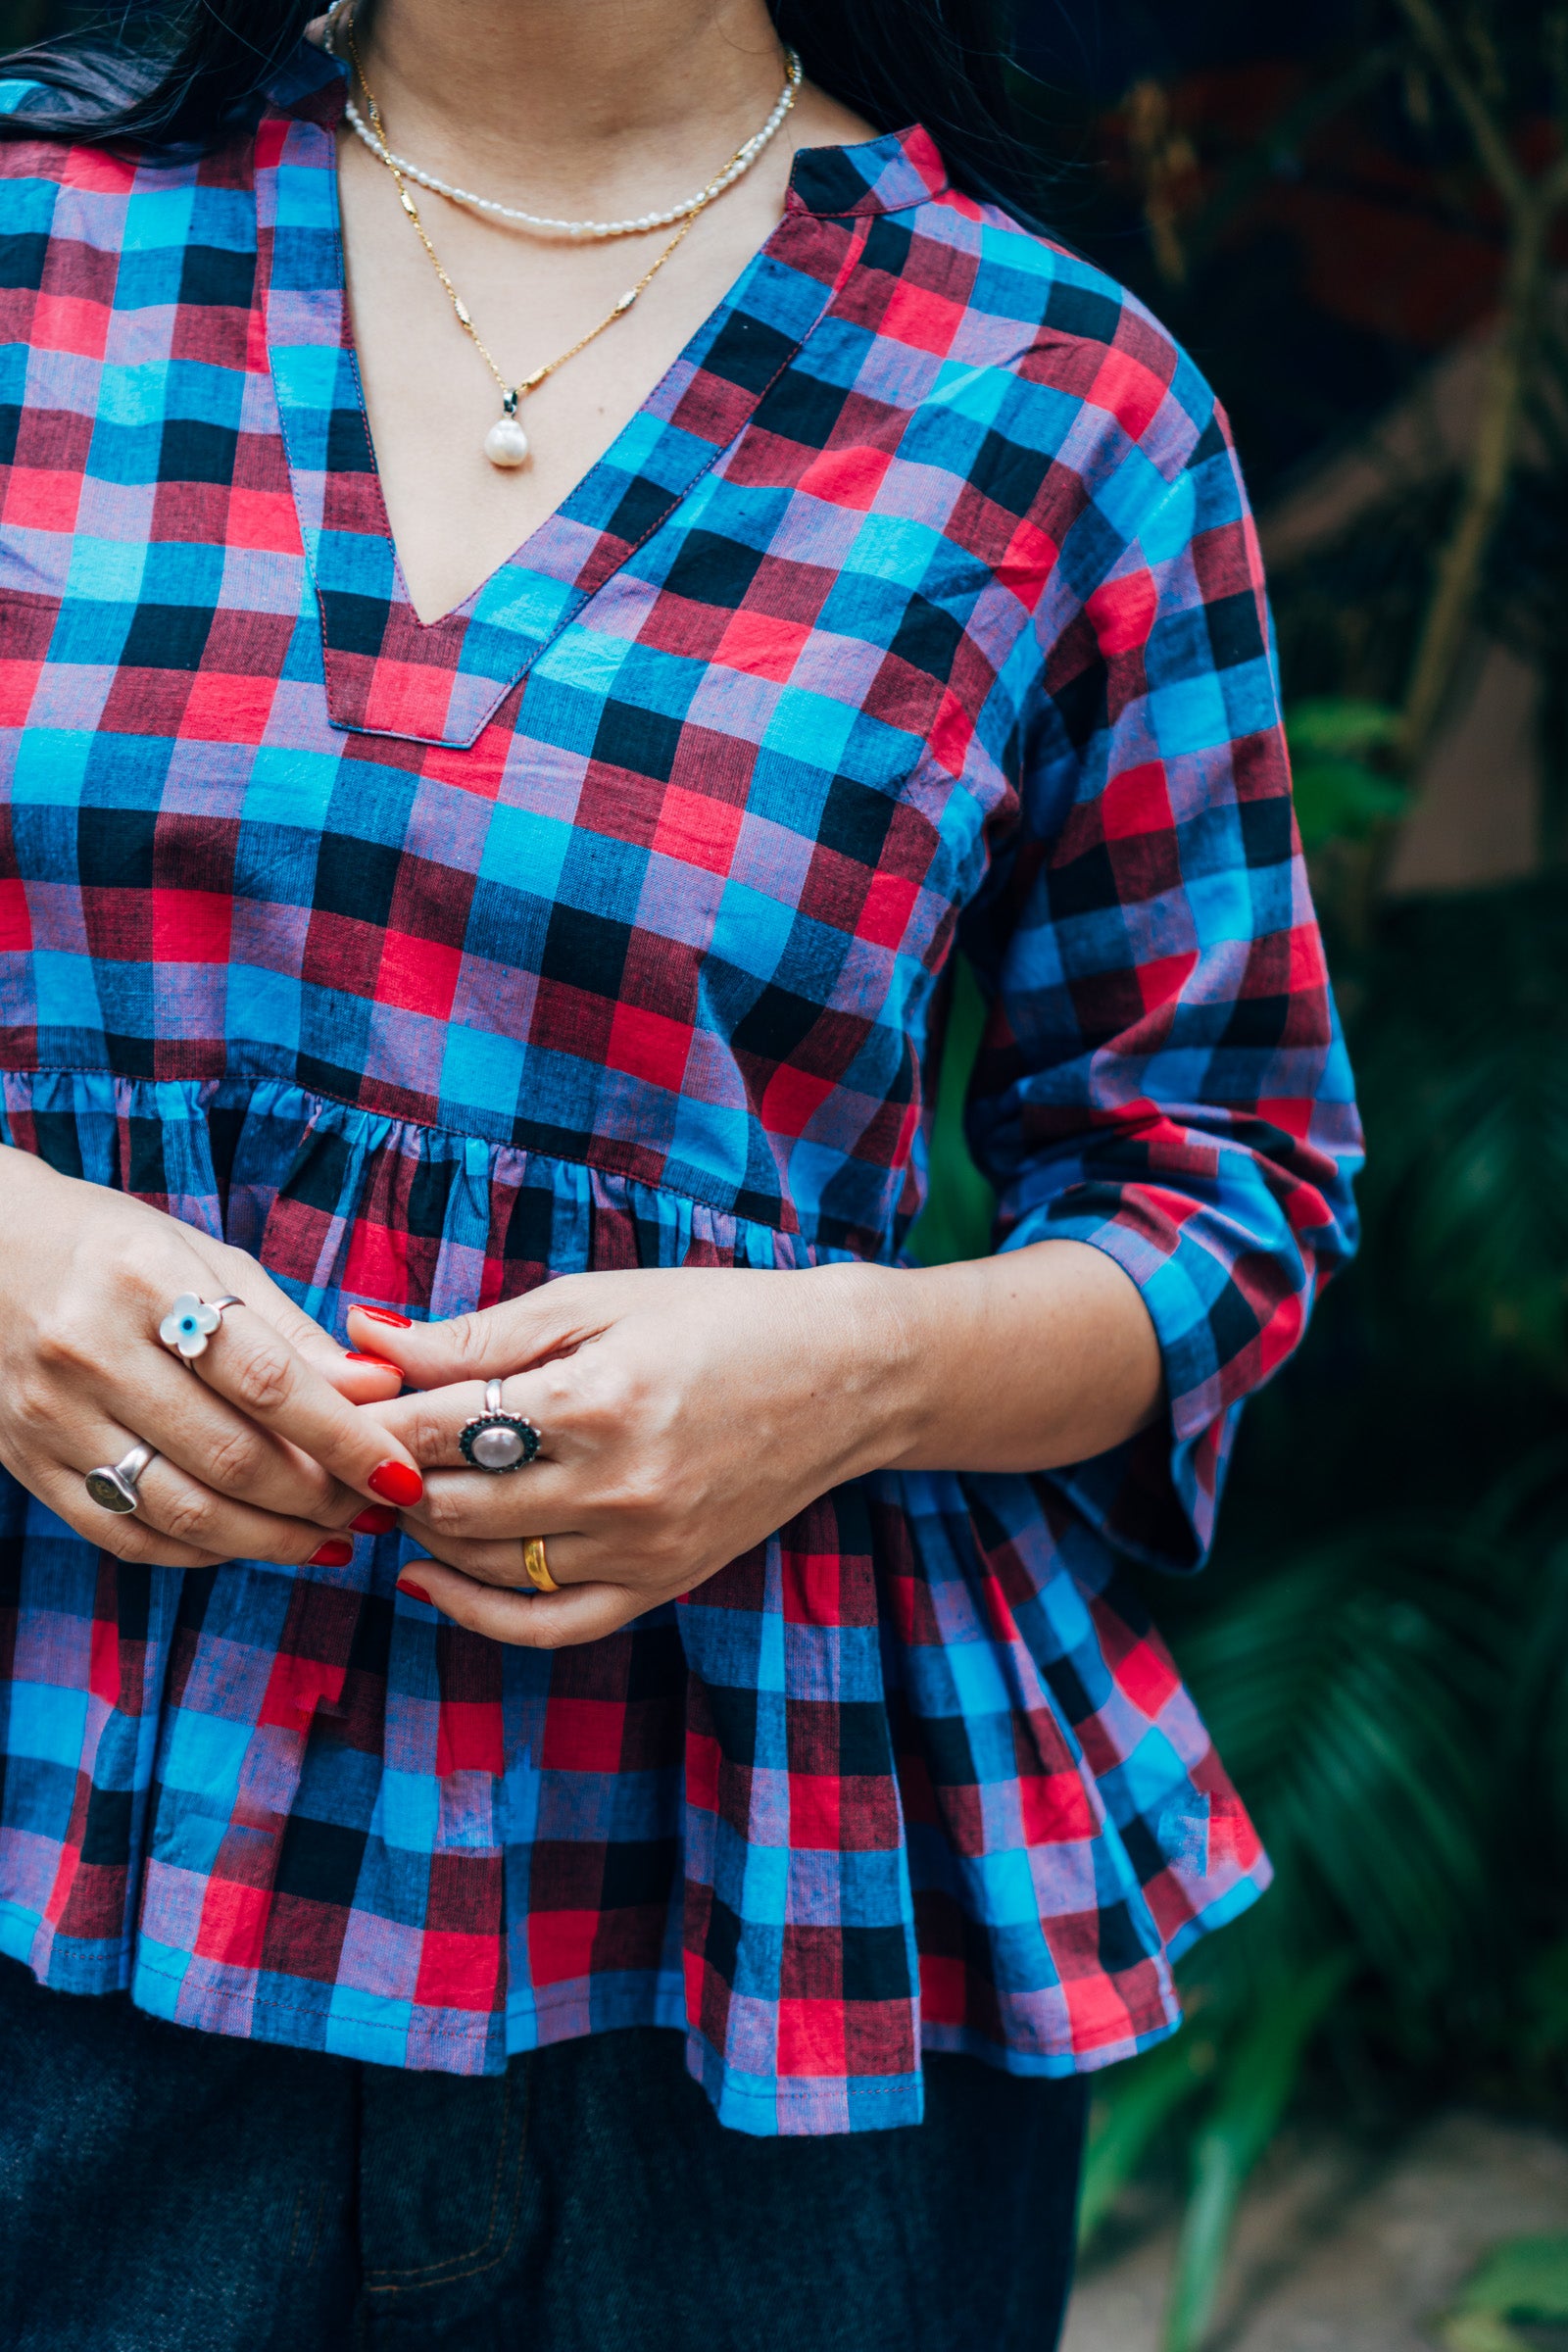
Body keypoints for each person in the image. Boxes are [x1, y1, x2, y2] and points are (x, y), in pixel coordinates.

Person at [0, 0, 1361, 2343]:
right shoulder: (35, 241)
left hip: (746, 1951)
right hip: (49, 1839)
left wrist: (852, 1369)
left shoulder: (1063, 405)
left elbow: (1224, 1185)